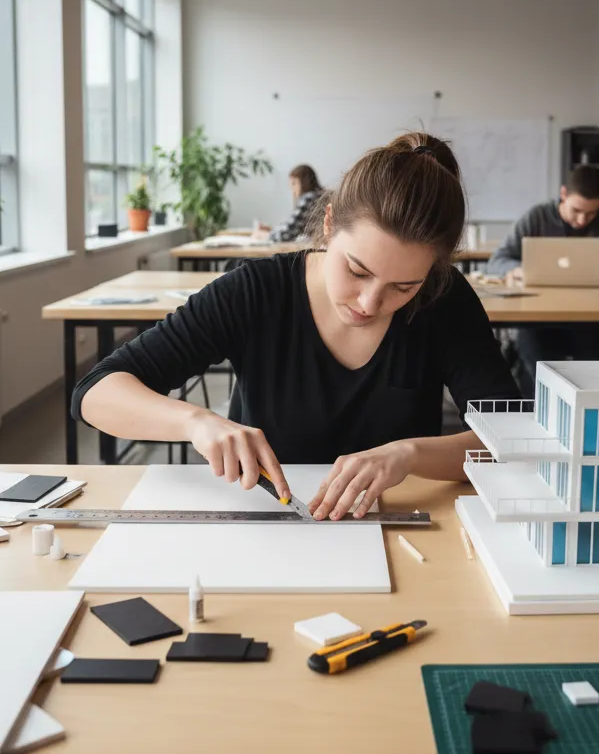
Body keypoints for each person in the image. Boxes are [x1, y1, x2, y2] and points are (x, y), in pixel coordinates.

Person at [73, 133, 520, 520]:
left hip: (396, 531)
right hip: (261, 524)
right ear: (328, 226)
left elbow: (515, 438)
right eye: (357, 271)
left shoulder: (443, 300)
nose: (370, 303)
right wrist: (195, 423)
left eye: (403, 287)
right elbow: (94, 393)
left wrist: (412, 453)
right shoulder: (256, 291)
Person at [486, 165, 599, 392]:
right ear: (563, 195)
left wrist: (598, 271)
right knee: (539, 371)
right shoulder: (536, 216)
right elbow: (497, 260)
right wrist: (518, 269)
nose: (582, 220)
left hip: (587, 315)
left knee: (593, 372)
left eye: (591, 213)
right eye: (576, 210)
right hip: (534, 316)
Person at [253, 164, 322, 243]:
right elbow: (294, 227)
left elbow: (288, 233)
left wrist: (266, 235)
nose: (292, 189)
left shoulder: (308, 198)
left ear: (305, 182)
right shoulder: (318, 196)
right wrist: (273, 230)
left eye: (294, 183)